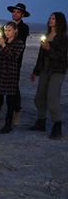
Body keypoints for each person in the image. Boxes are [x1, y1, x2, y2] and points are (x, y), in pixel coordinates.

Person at [29, 12, 67, 140]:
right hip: (45, 70)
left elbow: (61, 56)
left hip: (57, 71)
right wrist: (36, 71)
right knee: (39, 97)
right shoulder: (46, 35)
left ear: (60, 21)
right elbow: (41, 56)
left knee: (52, 98)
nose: (51, 20)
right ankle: (41, 122)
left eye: (54, 18)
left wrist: (49, 49)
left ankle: (57, 125)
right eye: (50, 18)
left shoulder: (63, 37)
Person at [0, 22, 25, 134]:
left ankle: (8, 124)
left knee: (10, 101)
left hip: (10, 74)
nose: (6, 32)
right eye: (5, 30)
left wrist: (3, 45)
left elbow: (13, 57)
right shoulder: (1, 41)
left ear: (15, 31)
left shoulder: (19, 43)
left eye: (9, 30)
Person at [7, 3, 30, 125]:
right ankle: (5, 112)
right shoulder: (7, 26)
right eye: (14, 11)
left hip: (15, 60)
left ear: (22, 15)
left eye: (18, 12)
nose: (15, 13)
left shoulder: (24, 28)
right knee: (4, 86)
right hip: (4, 60)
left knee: (14, 86)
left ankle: (17, 111)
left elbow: (17, 43)